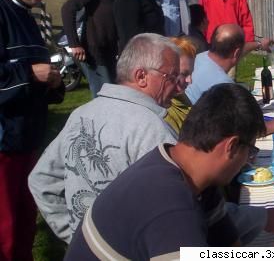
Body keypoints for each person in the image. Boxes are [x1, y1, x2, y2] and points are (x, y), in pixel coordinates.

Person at [64, 84, 274, 260]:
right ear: (231, 146)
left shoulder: (189, 173)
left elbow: (228, 247)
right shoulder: (171, 208)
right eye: (250, 149)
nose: (249, 159)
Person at [28, 33, 181, 243]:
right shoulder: (153, 130)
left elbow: (41, 179)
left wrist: (75, 237)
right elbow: (176, 212)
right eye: (171, 77)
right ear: (141, 76)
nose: (178, 86)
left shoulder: (81, 113)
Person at [0, 0, 64, 261]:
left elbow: (38, 68)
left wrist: (53, 81)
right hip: (4, 140)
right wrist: (30, 74)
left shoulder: (26, 15)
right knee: (6, 229)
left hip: (28, 136)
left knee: (26, 220)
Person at [185, 24, 274, 134]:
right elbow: (240, 130)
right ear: (236, 52)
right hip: (200, 132)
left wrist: (259, 44)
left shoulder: (201, 57)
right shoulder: (223, 86)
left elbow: (236, 52)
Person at [61, 0, 144, 97]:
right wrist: (74, 43)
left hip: (112, 51)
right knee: (104, 96)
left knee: (116, 94)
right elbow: (68, 8)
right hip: (95, 51)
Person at [165, 36, 197, 134]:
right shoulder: (165, 113)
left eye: (190, 74)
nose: (190, 81)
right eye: (184, 74)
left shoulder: (180, 98)